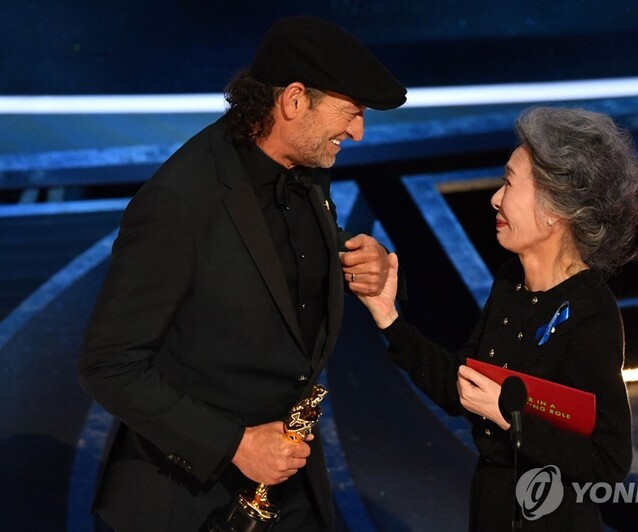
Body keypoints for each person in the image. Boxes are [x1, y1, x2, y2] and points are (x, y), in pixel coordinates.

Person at [78, 16, 406, 531]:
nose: (358, 133)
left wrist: (361, 258)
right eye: (351, 113)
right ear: (294, 100)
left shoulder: (307, 166)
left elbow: (266, 262)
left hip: (288, 491)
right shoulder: (178, 202)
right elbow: (109, 364)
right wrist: (235, 444)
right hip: (184, 503)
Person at [359, 106, 638, 530]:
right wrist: (389, 317)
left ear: (554, 210)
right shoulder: (510, 283)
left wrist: (507, 415)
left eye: (509, 182)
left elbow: (609, 458)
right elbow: (462, 388)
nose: (495, 197)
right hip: (491, 508)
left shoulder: (590, 312)